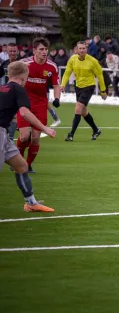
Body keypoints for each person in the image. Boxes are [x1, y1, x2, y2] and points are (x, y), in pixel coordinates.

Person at [1, 61, 57, 212]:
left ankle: (31, 203)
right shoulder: (18, 89)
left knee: (21, 166)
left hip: (4, 135)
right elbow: (25, 113)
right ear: (23, 76)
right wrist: (45, 128)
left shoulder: (3, 88)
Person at [16, 38, 61, 173]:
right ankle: (17, 161)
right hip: (24, 104)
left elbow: (56, 85)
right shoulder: (24, 64)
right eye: (41, 49)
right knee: (24, 137)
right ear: (34, 50)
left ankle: (27, 165)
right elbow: (14, 79)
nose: (44, 52)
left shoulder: (52, 67)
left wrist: (57, 98)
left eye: (46, 49)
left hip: (41, 105)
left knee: (35, 139)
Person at [61, 41, 107, 142]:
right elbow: (67, 72)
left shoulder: (92, 61)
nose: (82, 50)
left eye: (84, 48)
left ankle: (71, 134)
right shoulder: (72, 59)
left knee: (78, 109)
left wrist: (103, 91)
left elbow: (100, 76)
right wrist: (63, 84)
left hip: (89, 87)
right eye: (80, 48)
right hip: (78, 86)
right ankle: (96, 130)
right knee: (83, 112)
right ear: (76, 49)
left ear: (86, 49)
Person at [0, 44, 19, 140]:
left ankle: (10, 138)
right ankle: (9, 137)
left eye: (14, 51)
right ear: (7, 52)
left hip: (18, 94)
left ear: (17, 51)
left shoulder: (21, 63)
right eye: (10, 51)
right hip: (5, 94)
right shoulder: (4, 64)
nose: (12, 53)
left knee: (14, 116)